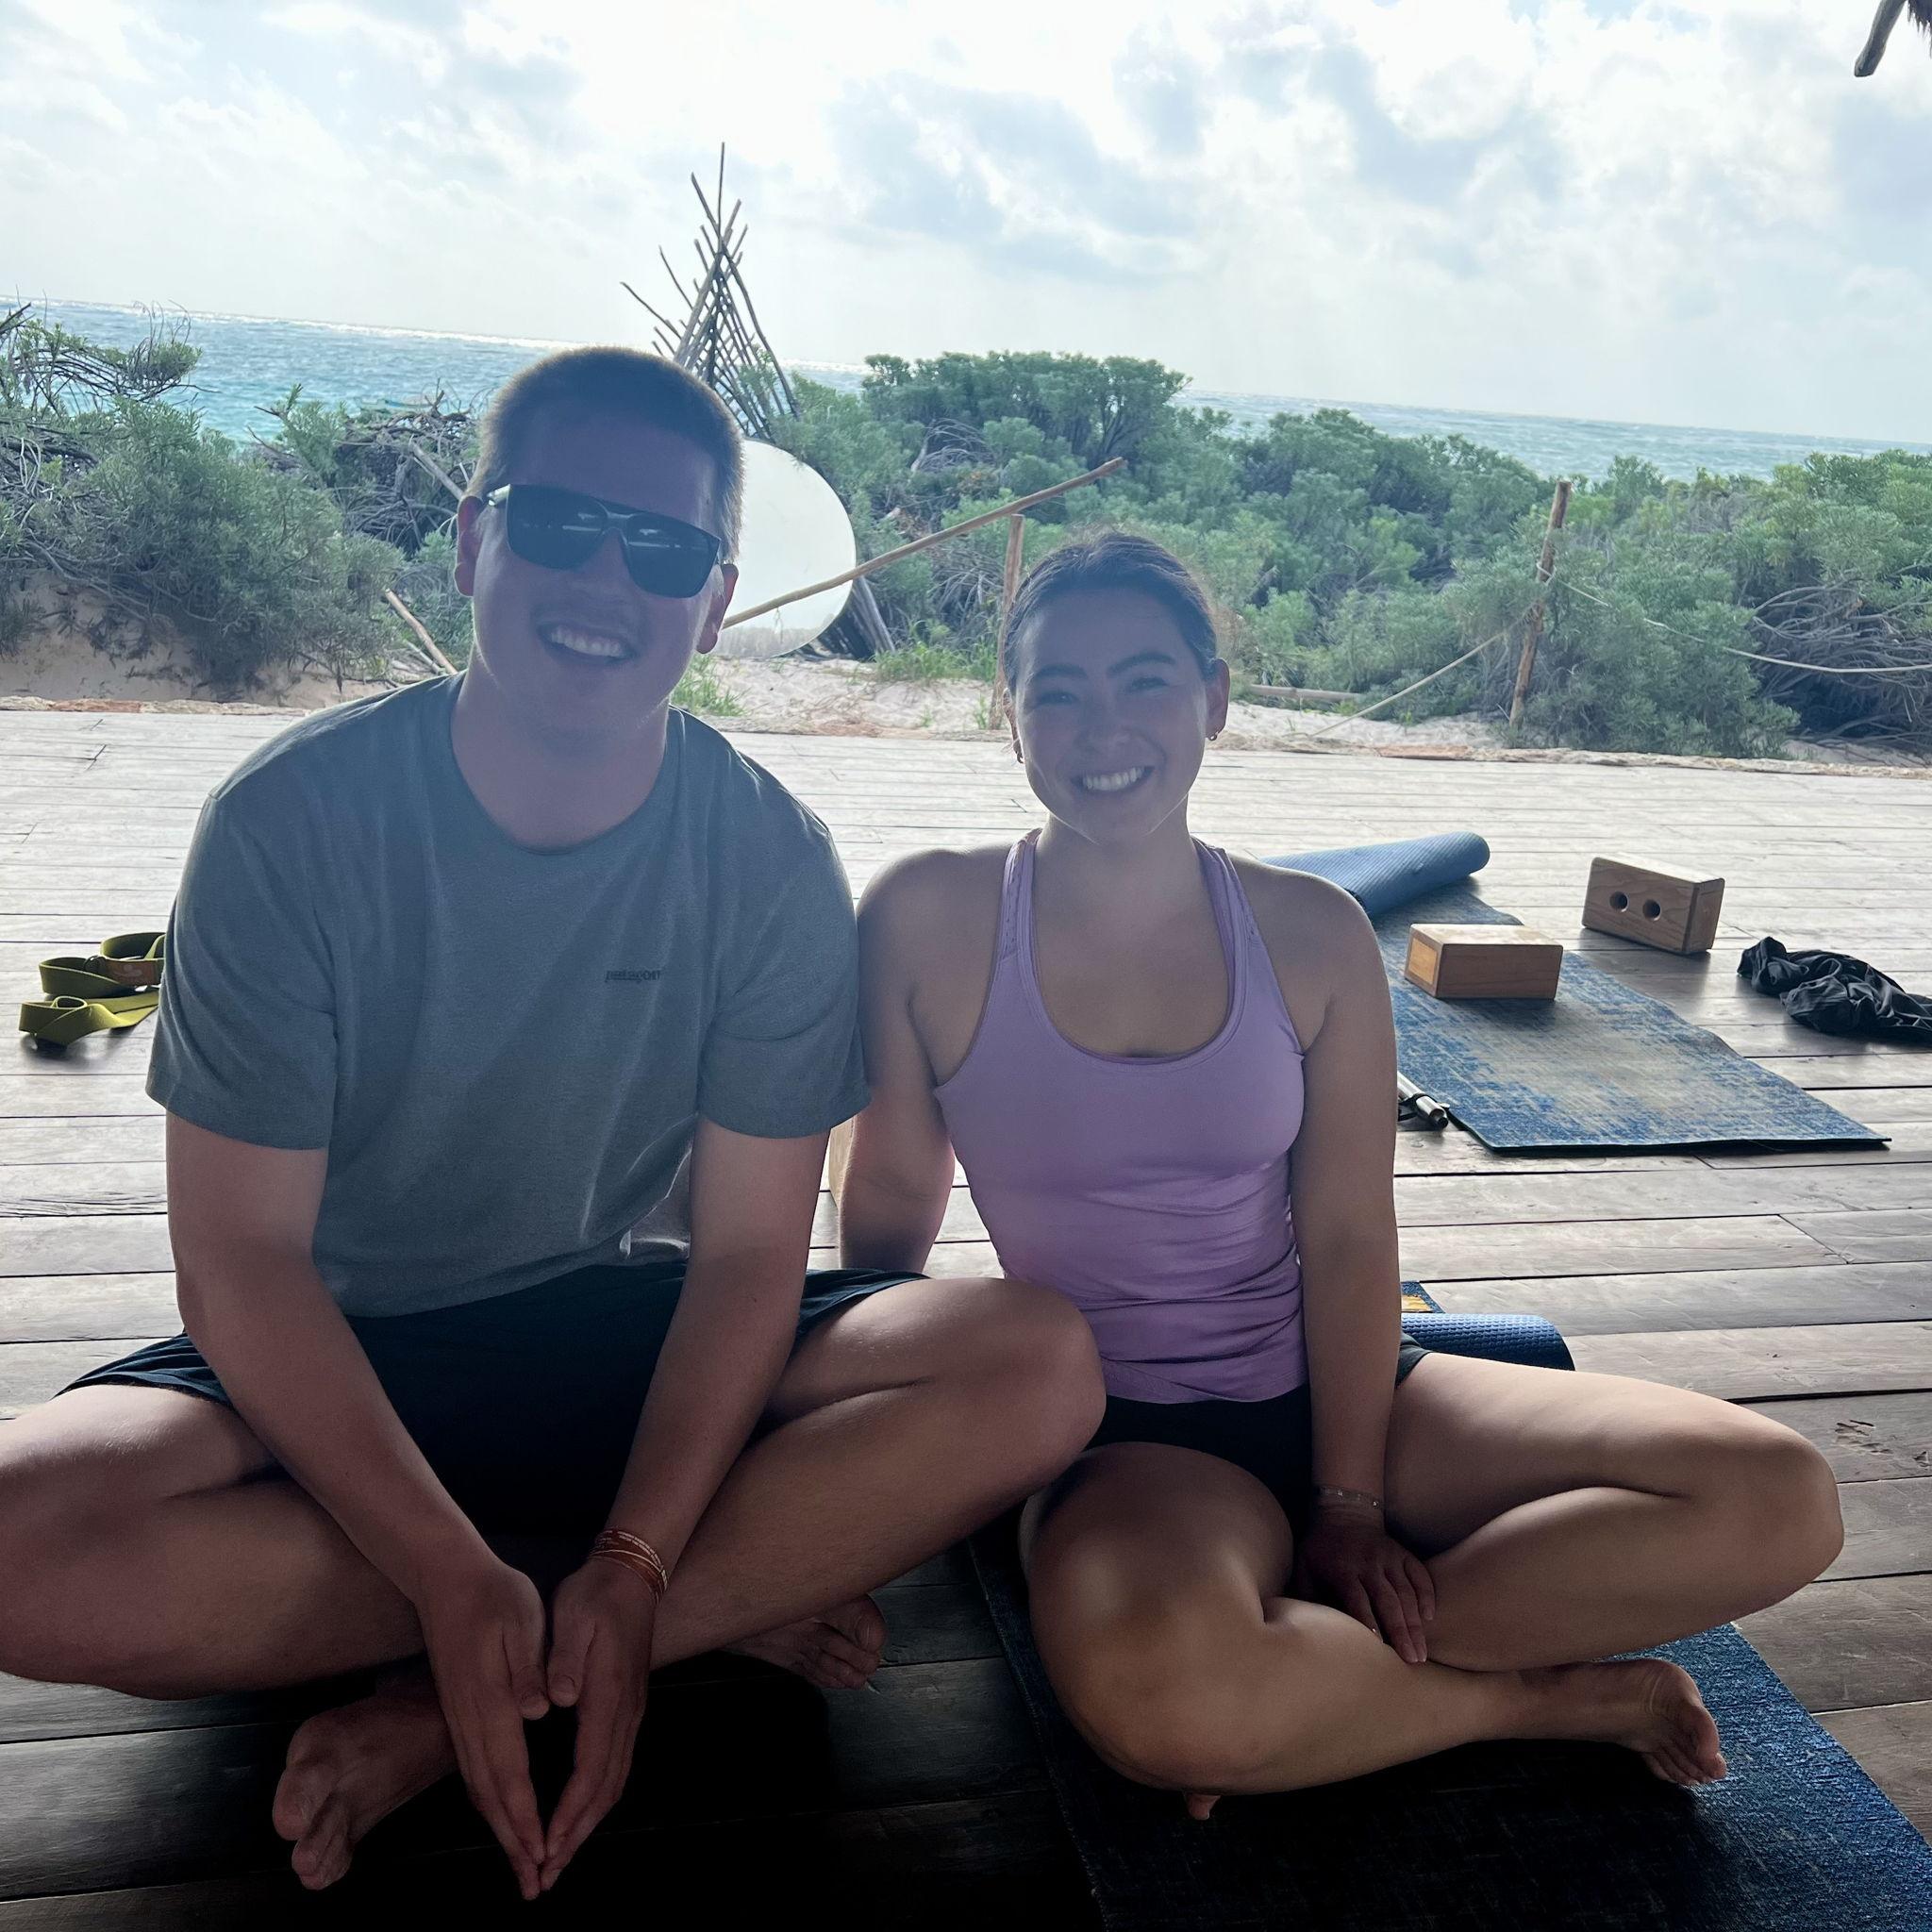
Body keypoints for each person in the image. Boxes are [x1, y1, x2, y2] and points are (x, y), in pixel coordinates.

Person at [0, 350, 1103, 1896]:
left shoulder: (766, 857)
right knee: (20, 1539)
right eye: (561, 523)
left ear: (716, 603)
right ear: (472, 542)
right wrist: (453, 1572)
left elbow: (739, 1264)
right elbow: (243, 1265)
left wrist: (643, 1556)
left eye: (661, 550)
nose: (605, 576)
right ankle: (614, 1599)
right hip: (332, 1343)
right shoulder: (290, 823)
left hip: (609, 1328)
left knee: (1036, 1362)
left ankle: (500, 1674)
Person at [839, 531, 1844, 1813]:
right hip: (1119, 1441)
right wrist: (860, 1483)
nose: (1104, 726)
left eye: (1146, 681)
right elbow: (888, 1212)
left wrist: (1351, 1500)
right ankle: (1539, 1700)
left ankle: (1306, 1682)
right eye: (1058, 690)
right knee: (1170, 1701)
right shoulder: (930, 916)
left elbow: (1354, 1243)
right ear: (1012, 714)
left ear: (1212, 699)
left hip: (1342, 1386)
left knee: (1777, 1498)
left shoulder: (1309, 932)